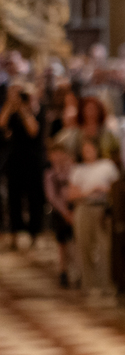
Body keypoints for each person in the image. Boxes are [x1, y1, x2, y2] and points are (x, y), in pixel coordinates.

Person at [68, 138, 119, 301]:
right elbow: (72, 194)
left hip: (102, 208)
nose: (88, 153)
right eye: (85, 150)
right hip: (84, 207)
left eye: (91, 149)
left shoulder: (107, 166)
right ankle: (88, 285)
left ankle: (106, 285)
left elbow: (117, 189)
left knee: (104, 247)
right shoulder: (78, 169)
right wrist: (90, 191)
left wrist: (104, 190)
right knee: (85, 246)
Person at [1, 84, 45, 247]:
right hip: (15, 160)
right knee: (14, 198)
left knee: (34, 198)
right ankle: (14, 233)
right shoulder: (12, 111)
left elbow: (33, 130)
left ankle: (35, 233)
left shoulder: (37, 110)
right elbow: (1, 124)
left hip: (33, 161)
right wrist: (10, 104)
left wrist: (22, 109)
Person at [43, 142, 76, 287]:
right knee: (62, 243)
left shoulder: (72, 171)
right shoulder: (50, 174)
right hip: (60, 212)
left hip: (73, 209)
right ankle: (63, 271)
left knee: (75, 242)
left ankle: (77, 271)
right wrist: (65, 212)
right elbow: (52, 196)